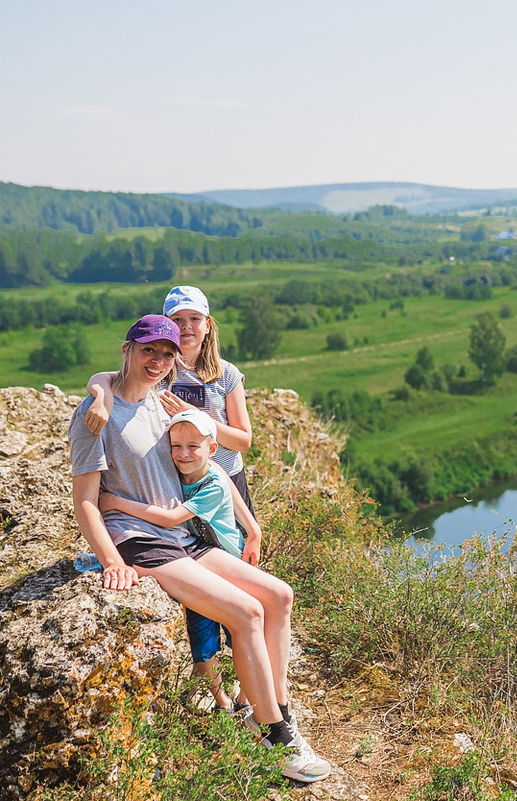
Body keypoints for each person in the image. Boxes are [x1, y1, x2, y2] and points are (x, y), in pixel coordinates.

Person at [69, 315, 330, 784]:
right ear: (127, 349)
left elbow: (210, 465)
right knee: (247, 612)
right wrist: (112, 559)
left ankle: (276, 709)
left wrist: (251, 525)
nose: (159, 362)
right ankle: (275, 736)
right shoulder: (95, 416)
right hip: (140, 539)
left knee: (279, 596)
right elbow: (86, 502)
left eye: (167, 355)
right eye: (149, 351)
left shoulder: (162, 403)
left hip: (184, 536)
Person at [84, 285, 256, 711]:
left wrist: (199, 420)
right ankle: (208, 672)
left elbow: (244, 440)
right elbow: (108, 378)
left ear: (207, 324)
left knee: (236, 579)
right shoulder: (164, 369)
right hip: (178, 490)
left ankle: (243, 677)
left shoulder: (225, 374)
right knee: (204, 589)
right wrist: (101, 396)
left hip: (223, 484)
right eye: (178, 321)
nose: (186, 327)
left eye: (193, 319)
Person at [99, 408, 257, 716]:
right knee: (202, 636)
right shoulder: (179, 472)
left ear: (211, 450)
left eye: (192, 447)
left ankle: (246, 698)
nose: (182, 454)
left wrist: (115, 502)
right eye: (176, 446)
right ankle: (222, 701)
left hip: (226, 560)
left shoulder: (210, 482)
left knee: (238, 632)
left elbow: (172, 518)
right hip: (196, 557)